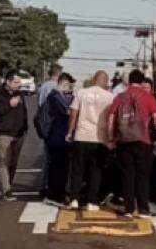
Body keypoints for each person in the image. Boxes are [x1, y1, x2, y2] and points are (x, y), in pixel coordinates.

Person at [107, 69, 156, 218]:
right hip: (143, 140)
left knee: (127, 175)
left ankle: (129, 209)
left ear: (129, 81)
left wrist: (111, 139)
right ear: (142, 81)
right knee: (143, 176)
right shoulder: (148, 97)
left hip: (124, 141)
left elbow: (111, 119)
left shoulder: (120, 97)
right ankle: (143, 208)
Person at [67, 70, 115, 211]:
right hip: (99, 138)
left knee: (78, 169)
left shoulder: (81, 93)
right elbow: (111, 119)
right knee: (96, 170)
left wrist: (70, 132)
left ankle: (74, 199)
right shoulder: (110, 97)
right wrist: (111, 138)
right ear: (106, 82)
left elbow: (73, 114)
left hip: (81, 136)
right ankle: (91, 201)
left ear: (94, 79)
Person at [0, 70, 29, 200]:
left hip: (19, 134)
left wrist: (25, 127)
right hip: (5, 133)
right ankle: (6, 191)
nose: (18, 85)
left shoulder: (19, 94)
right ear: (8, 81)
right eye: (16, 82)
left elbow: (24, 111)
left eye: (19, 82)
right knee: (5, 162)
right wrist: (9, 104)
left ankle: (9, 185)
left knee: (13, 163)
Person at [44, 72, 75, 204]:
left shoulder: (61, 96)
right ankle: (55, 194)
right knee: (57, 167)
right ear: (62, 83)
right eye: (69, 84)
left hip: (61, 137)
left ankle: (58, 193)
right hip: (57, 136)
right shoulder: (55, 97)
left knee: (62, 167)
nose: (71, 87)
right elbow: (68, 111)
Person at [36, 64, 63, 196]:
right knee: (53, 158)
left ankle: (43, 184)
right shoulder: (55, 88)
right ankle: (49, 185)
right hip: (53, 123)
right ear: (58, 74)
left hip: (43, 122)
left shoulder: (42, 87)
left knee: (47, 156)